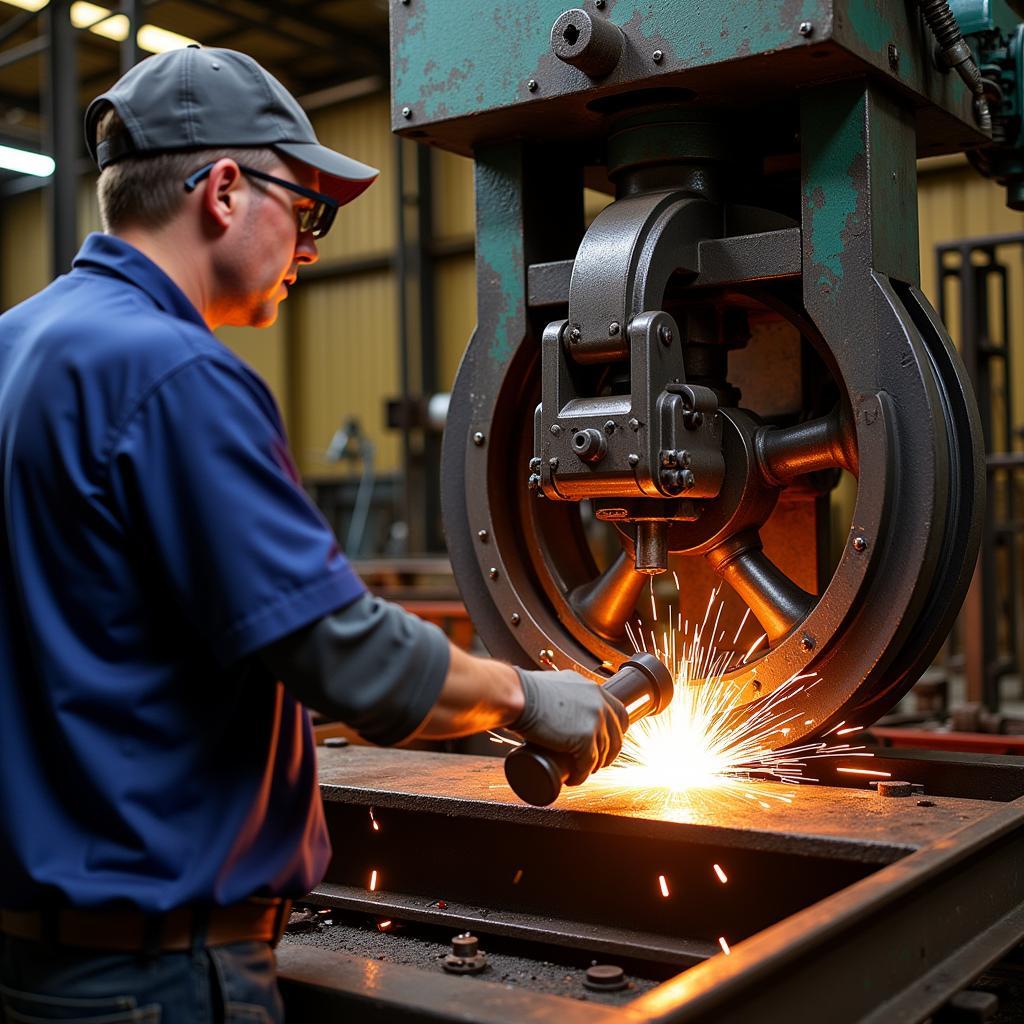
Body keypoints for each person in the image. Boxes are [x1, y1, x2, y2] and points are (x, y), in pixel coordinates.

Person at [0, 46, 628, 1023]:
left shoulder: (15, 348)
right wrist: (529, 695)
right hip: (155, 978)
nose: (313, 247)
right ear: (220, 190)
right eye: (305, 210)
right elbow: (343, 652)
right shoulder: (174, 373)